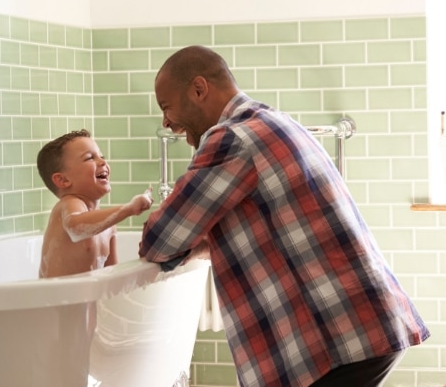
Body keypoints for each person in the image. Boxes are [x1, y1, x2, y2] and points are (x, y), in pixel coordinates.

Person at [138, 45, 430, 387]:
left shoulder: (231, 138)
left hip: (337, 337)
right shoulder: (273, 120)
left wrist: (193, 238)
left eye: (166, 106)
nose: (166, 122)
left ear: (199, 89)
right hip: (363, 324)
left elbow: (158, 240)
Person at [37, 129, 153, 278]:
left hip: (87, 300)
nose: (103, 162)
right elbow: (76, 228)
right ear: (63, 180)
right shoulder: (69, 204)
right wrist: (128, 209)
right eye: (90, 158)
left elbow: (112, 275)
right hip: (54, 300)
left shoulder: (108, 224)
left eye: (102, 156)